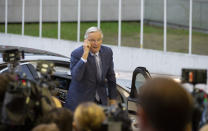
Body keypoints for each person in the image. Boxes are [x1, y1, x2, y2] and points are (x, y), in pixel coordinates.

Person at [65, 27, 118, 111]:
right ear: (86, 41)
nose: (96, 43)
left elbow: (111, 76)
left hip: (100, 101)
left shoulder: (107, 52)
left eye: (98, 40)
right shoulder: (76, 54)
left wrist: (113, 99)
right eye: (92, 40)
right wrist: (85, 55)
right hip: (80, 104)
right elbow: (76, 77)